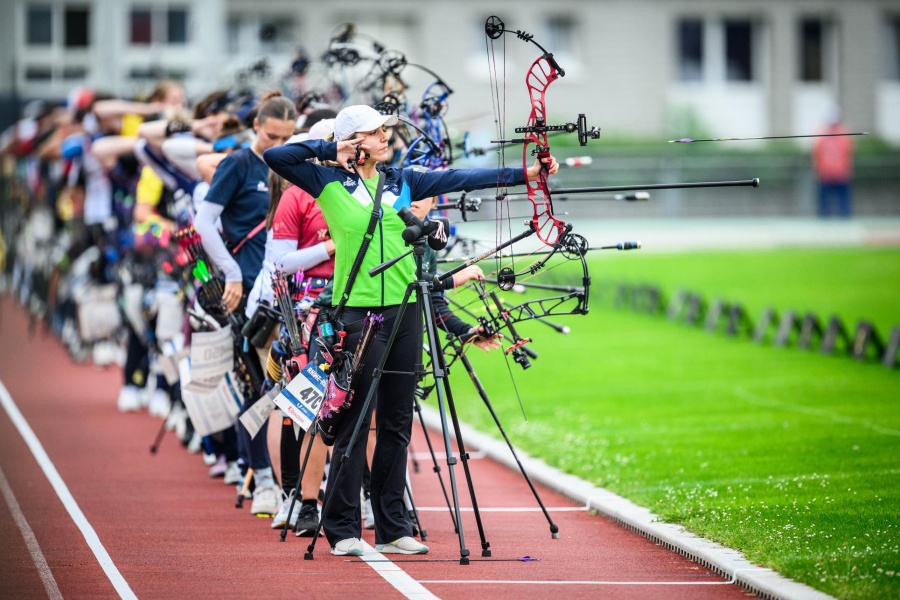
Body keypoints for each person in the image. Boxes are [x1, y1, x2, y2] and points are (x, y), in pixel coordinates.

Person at [263, 104, 558, 556]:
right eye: (377, 132)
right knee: (354, 423)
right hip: (357, 317)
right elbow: (278, 157)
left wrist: (529, 173)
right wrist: (332, 148)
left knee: (397, 422)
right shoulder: (326, 181)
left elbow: (464, 178)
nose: (387, 137)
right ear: (356, 141)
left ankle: (392, 526)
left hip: (405, 314)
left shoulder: (403, 181)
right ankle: (341, 530)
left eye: (386, 131)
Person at [193, 91, 297, 516]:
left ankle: (293, 485)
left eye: (286, 137)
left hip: (287, 294)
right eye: (272, 136)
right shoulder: (238, 163)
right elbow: (204, 222)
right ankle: (265, 479)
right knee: (258, 388)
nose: (278, 145)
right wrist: (231, 273)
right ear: (256, 126)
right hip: (246, 293)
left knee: (291, 392)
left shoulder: (295, 164)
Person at [813, 104, 854, 218]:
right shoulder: (823, 134)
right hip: (827, 173)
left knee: (842, 203)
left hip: (840, 172)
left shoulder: (843, 134)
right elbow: (817, 153)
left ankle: (843, 220)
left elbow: (848, 153)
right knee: (825, 204)